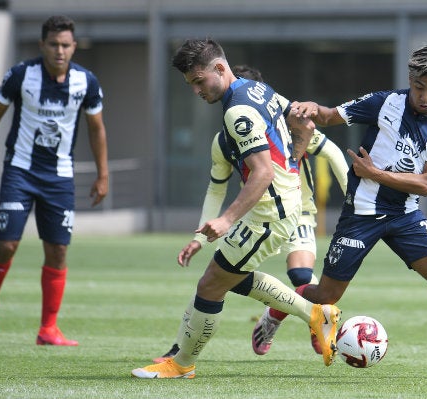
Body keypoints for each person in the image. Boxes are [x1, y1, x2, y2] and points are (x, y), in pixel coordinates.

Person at [252, 45, 427, 379]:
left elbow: (425, 184)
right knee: (324, 297)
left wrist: (376, 173)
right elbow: (327, 115)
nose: (425, 97)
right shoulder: (384, 103)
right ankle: (278, 310)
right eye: (419, 88)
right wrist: (311, 108)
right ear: (410, 80)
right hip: (361, 215)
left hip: (406, 215)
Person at [131, 39, 340, 379]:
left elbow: (263, 171)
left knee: (210, 285)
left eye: (199, 81)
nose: (197, 90)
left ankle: (181, 364)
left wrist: (227, 218)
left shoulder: (236, 110)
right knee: (230, 278)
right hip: (280, 205)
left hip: (270, 212)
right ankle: (316, 314)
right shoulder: (256, 88)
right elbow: (301, 117)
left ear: (220, 68)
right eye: (190, 85)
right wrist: (294, 154)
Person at [0, 15, 109, 346]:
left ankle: (48, 328)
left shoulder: (86, 82)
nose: (60, 51)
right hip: (20, 170)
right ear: (43, 45)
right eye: (54, 44)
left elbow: (96, 128)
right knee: (7, 245)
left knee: (58, 250)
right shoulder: (20, 75)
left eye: (66, 45)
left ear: (74, 47)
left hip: (59, 177)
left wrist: (103, 174)